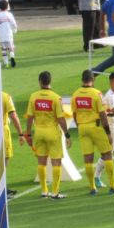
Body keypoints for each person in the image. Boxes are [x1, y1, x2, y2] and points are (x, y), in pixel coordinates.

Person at [71, 70, 114, 195]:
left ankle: (92, 188)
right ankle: (113, 187)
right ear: (93, 80)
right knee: (107, 155)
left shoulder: (75, 94)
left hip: (82, 128)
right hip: (95, 127)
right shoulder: (96, 93)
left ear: (82, 79)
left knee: (88, 159)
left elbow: (74, 114)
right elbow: (103, 114)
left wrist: (79, 127)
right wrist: (108, 132)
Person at [24, 71, 70, 199]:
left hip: (39, 132)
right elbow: (61, 119)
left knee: (41, 161)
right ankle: (55, 192)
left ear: (40, 81)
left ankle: (44, 190)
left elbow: (29, 117)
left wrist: (28, 134)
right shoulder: (56, 98)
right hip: (52, 132)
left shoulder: (33, 96)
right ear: (50, 82)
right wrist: (67, 135)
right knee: (56, 162)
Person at [2, 91, 25, 198]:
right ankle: (1, 190)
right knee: (4, 160)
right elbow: (13, 116)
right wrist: (21, 133)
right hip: (2, 130)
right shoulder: (5, 96)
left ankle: (1, 188)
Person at [0, 0, 17, 68]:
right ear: (7, 6)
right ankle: (12, 57)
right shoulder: (9, 15)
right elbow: (14, 23)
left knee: (3, 49)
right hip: (9, 34)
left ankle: (6, 63)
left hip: (1, 36)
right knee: (11, 48)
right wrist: (15, 29)